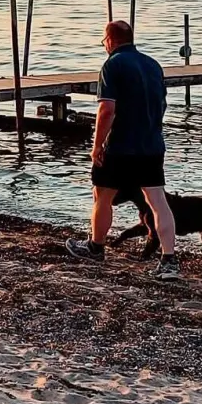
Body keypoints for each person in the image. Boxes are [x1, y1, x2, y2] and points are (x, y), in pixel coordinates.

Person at [65, 19, 180, 279]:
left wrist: (97, 146)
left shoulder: (112, 65)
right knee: (158, 201)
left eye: (103, 41)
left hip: (120, 145)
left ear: (110, 40)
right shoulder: (153, 65)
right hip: (151, 144)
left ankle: (96, 246)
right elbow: (161, 105)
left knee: (102, 196)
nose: (104, 45)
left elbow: (106, 110)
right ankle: (169, 260)